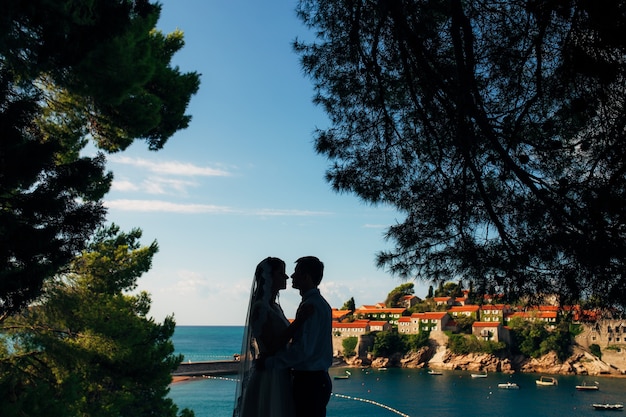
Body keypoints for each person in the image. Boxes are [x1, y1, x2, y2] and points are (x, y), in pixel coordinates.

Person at [233, 257, 309, 417]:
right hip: (270, 375)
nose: (286, 277)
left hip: (279, 371)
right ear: (269, 276)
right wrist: (299, 322)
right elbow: (272, 344)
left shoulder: (274, 307)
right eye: (281, 273)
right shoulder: (260, 307)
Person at [266, 256, 333, 417]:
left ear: (306, 276)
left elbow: (303, 350)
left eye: (296, 273)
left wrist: (271, 363)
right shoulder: (318, 303)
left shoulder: (311, 305)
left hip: (310, 383)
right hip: (315, 380)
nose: (292, 277)